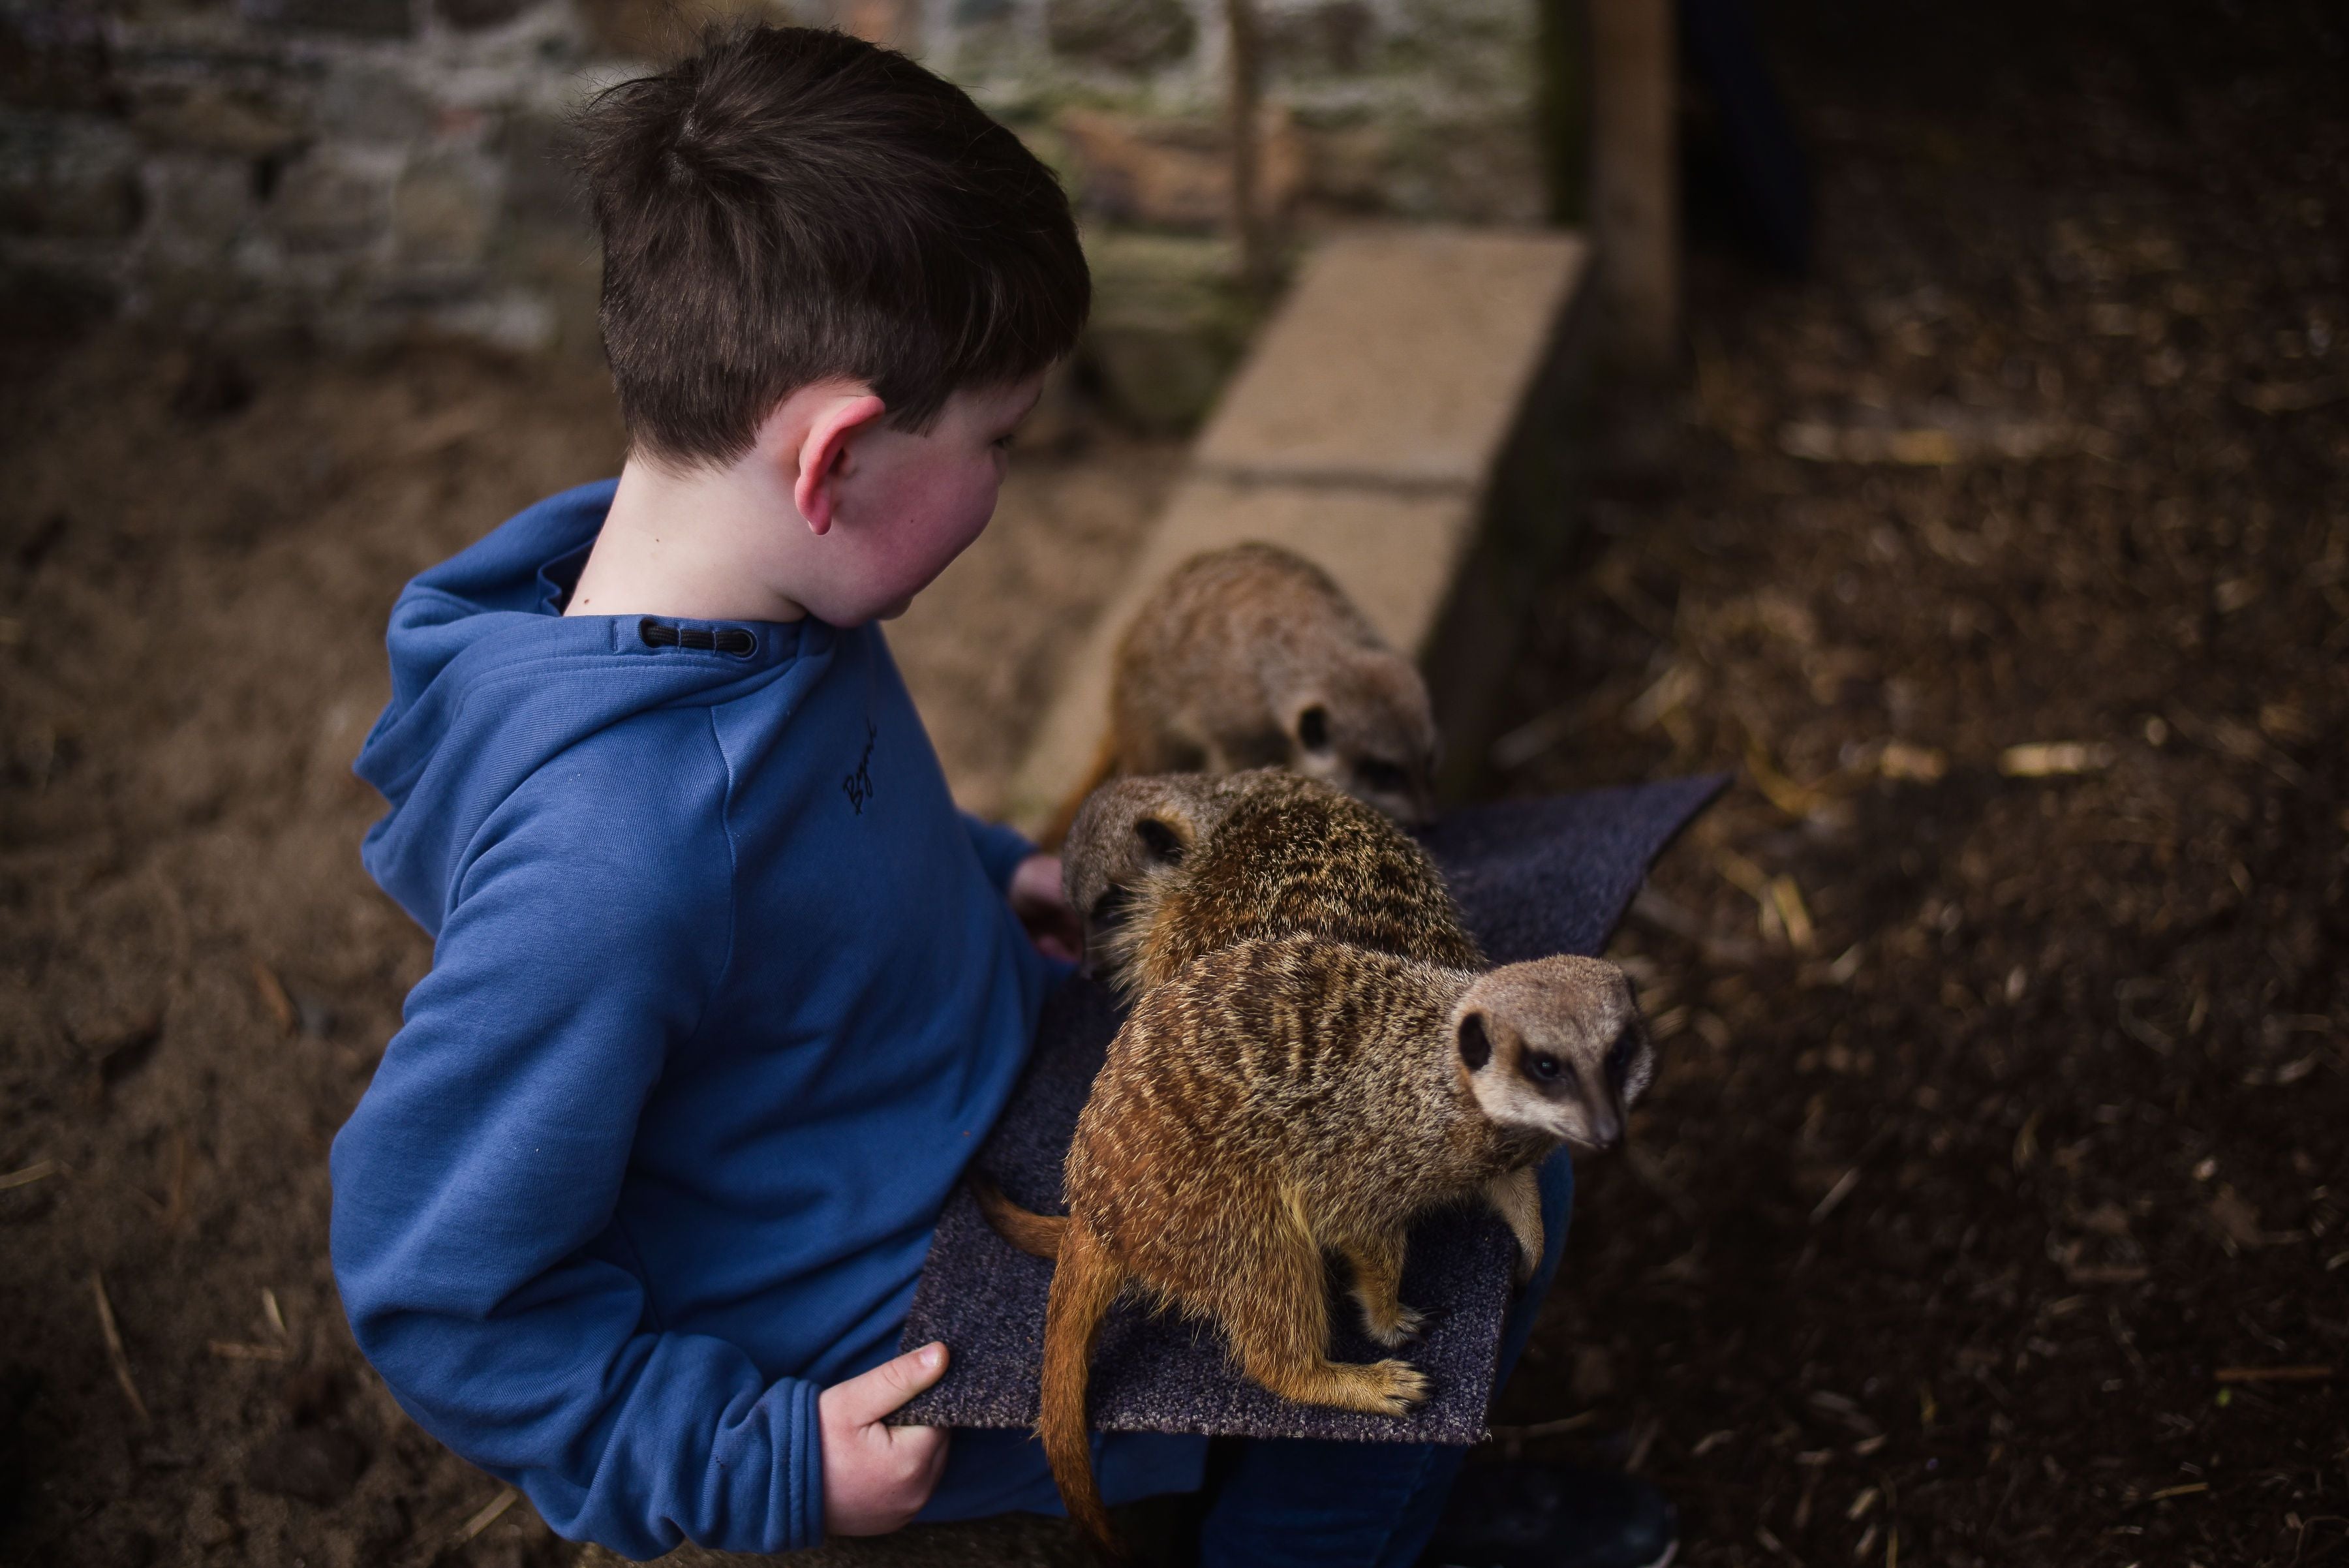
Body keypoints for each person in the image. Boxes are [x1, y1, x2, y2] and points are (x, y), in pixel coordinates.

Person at [329, 23, 1674, 1568]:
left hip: (987, 1072)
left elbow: (821, 852)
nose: (1011, 476)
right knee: (1473, 1204)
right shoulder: (610, 866)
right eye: (1003, 439)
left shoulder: (750, 589)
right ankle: (1338, 1519)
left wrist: (987, 874)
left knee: (1465, 1042)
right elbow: (429, 1273)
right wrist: (756, 1462)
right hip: (877, 1287)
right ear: (836, 459)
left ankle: (1341, 1488)